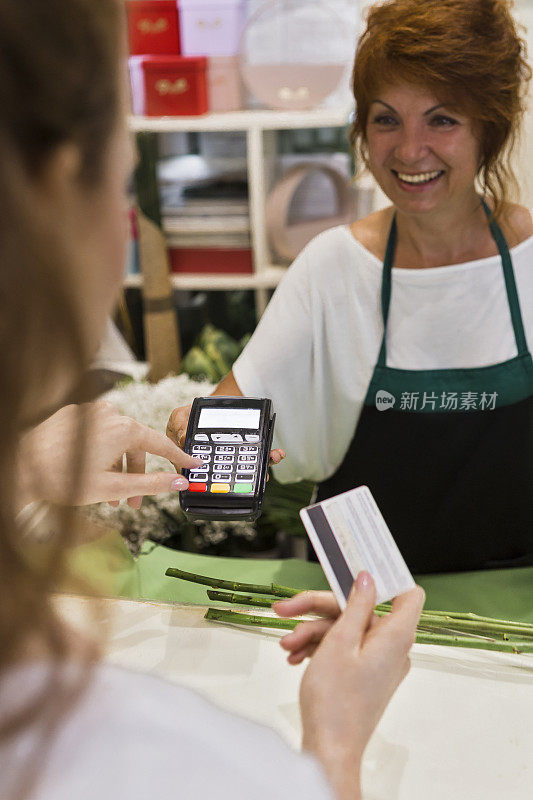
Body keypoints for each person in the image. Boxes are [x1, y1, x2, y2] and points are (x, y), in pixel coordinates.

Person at [0, 3, 425, 800]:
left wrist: (17, 471)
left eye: (444, 119)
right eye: (126, 184)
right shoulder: (167, 757)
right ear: (58, 191)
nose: (413, 150)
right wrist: (332, 745)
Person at [169, 0, 533, 575]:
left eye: (442, 119)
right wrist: (201, 449)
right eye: (387, 119)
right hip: (357, 599)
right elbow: (222, 482)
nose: (410, 151)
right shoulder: (334, 266)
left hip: (514, 605)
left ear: (489, 126)